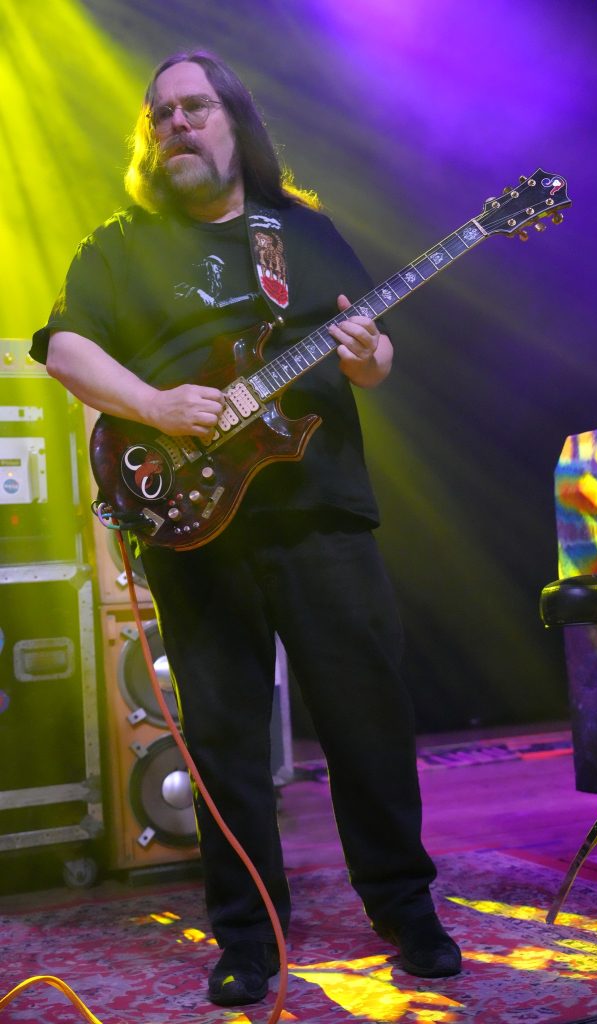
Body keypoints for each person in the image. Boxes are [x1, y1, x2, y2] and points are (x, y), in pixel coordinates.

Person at [32, 50, 462, 1007]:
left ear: (236, 121)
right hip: (192, 518)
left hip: (319, 509)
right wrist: (157, 404)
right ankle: (247, 934)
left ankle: (404, 906)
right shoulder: (121, 243)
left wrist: (368, 357)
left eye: (194, 107)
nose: (175, 125)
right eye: (160, 115)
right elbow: (63, 348)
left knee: (366, 718)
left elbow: (371, 353)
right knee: (223, 735)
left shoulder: (298, 232)